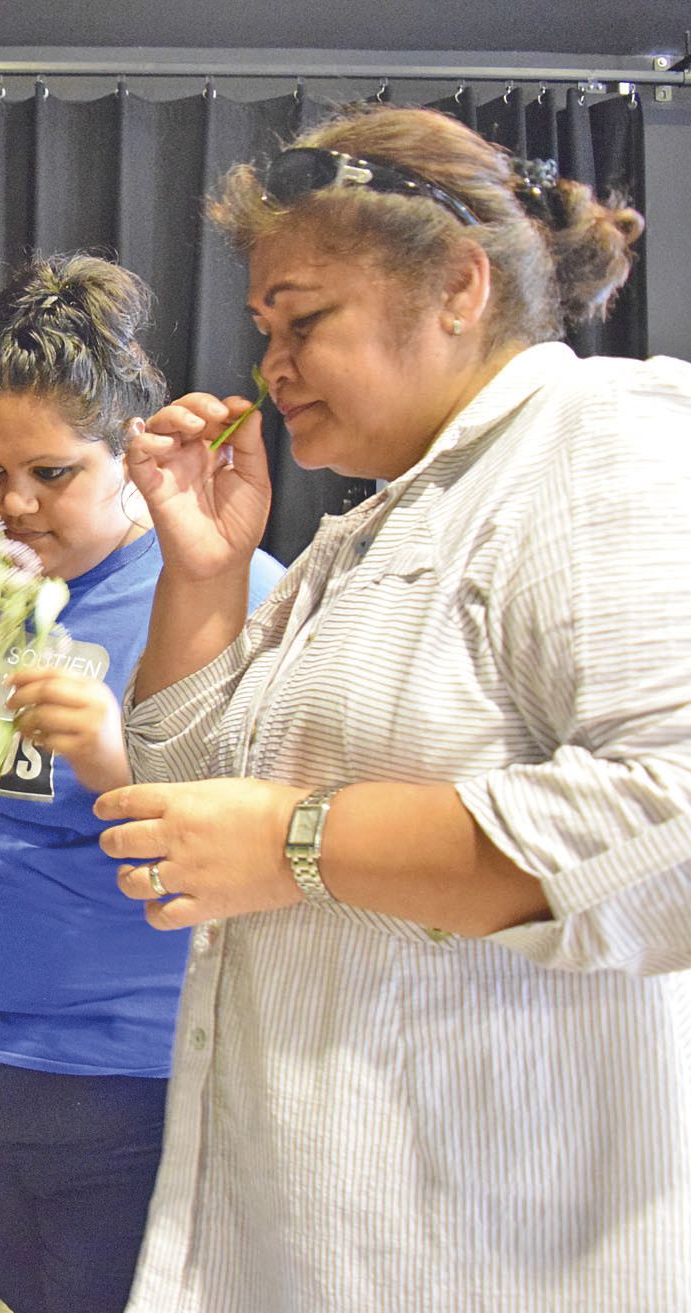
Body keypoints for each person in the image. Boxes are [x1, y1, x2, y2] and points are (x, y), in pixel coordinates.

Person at [97, 104, 688, 1309]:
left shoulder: (601, 443)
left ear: (459, 288)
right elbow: (188, 789)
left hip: (494, 1248)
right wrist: (204, 570)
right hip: (324, 1232)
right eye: (265, 328)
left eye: (304, 319)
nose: (270, 365)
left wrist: (293, 841)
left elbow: (669, 826)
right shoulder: (369, 526)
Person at [0, 254, 282, 1313]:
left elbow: (271, 842)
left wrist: (117, 758)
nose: (12, 503)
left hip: (128, 1076)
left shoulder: (228, 595)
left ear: (130, 456)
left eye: (51, 473)